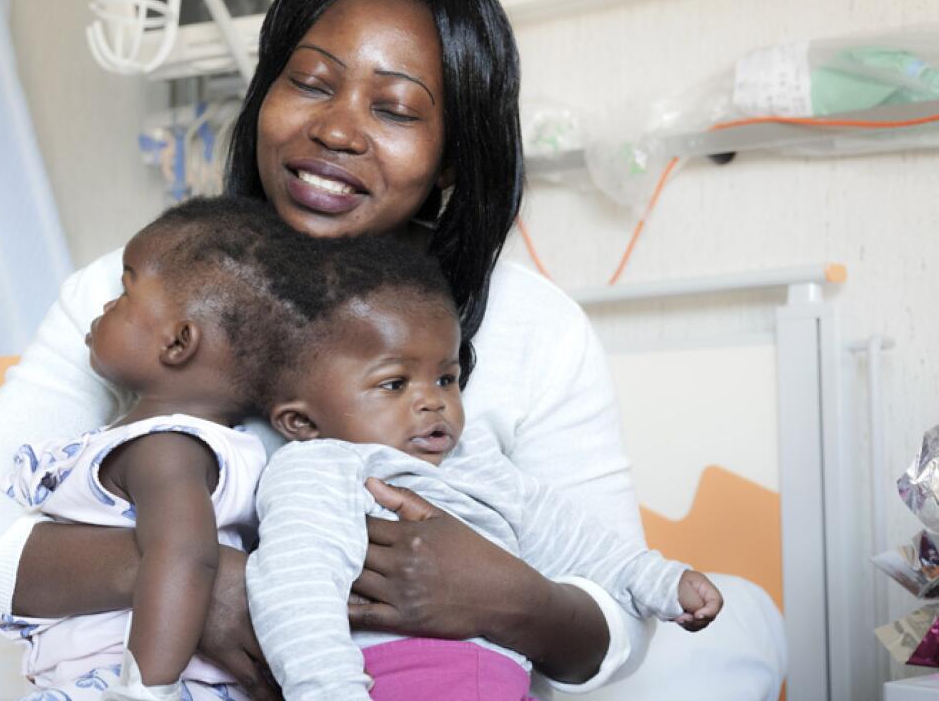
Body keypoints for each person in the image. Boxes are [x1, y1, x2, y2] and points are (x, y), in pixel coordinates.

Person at [0, 0, 782, 701]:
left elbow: (616, 616)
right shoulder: (147, 291)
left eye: (394, 109)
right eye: (310, 83)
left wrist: (516, 599)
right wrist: (187, 576)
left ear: (450, 158)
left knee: (734, 631)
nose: (337, 129)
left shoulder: (533, 329)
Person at [245, 233, 722, 701]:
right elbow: (294, 593)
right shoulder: (319, 468)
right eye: (394, 384)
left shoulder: (480, 466)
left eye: (446, 378)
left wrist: (663, 582)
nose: (432, 401)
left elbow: (582, 544)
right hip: (394, 680)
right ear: (301, 421)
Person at [0, 197, 297, 701]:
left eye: (124, 291)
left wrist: (147, 689)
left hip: (123, 682)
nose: (105, 306)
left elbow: (185, 556)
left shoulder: (166, 448)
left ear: (178, 343)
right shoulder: (192, 445)